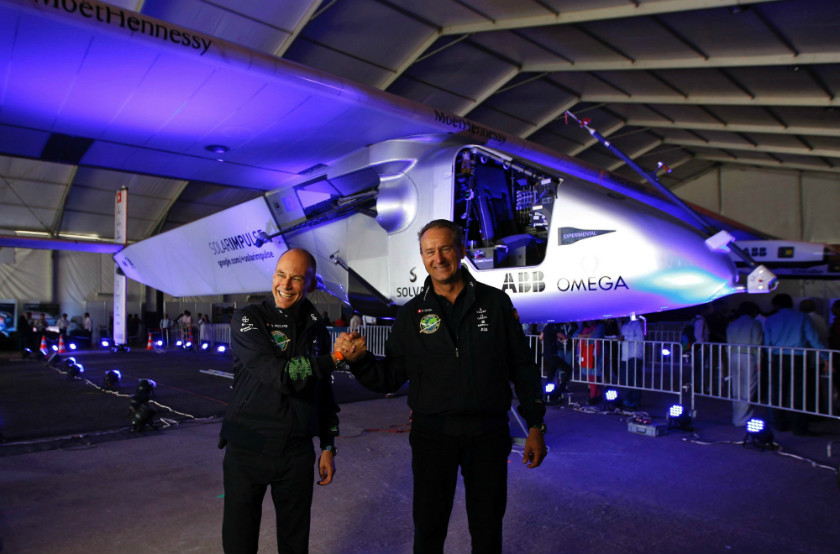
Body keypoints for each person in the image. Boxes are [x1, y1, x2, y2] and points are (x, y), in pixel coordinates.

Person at [335, 219, 546, 554]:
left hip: (487, 434)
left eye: (446, 248)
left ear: (461, 251)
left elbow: (523, 367)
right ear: (422, 257)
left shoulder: (495, 304)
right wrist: (360, 360)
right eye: (429, 251)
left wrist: (535, 424)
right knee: (429, 529)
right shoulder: (410, 316)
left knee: (488, 527)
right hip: (433, 437)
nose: (439, 258)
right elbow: (390, 376)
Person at [219, 248, 340, 554]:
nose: (285, 285)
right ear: (273, 276)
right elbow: (283, 375)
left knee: (295, 543)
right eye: (281, 275)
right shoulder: (248, 319)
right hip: (247, 449)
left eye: (297, 278)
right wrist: (335, 358)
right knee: (239, 542)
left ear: (311, 284)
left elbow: (323, 392)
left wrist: (328, 445)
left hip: (296, 453)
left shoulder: (316, 328)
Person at [763, 293, 826, 435]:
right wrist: (826, 356)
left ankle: (780, 422)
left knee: (778, 391)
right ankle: (799, 427)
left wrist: (770, 359)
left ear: (776, 305)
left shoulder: (771, 319)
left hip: (778, 357)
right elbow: (813, 339)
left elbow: (767, 343)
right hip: (798, 357)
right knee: (799, 392)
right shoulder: (802, 317)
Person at [726, 301, 763, 427]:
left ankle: (736, 416)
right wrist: (759, 360)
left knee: (736, 387)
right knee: (748, 387)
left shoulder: (732, 324)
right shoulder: (755, 323)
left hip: (734, 356)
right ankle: (743, 418)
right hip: (748, 356)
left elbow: (728, 345)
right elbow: (757, 343)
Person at [619, 316, 646, 409]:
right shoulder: (624, 326)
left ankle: (635, 400)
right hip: (625, 355)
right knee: (625, 378)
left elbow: (640, 338)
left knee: (635, 378)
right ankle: (627, 399)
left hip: (635, 354)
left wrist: (625, 338)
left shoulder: (637, 324)